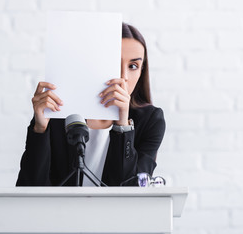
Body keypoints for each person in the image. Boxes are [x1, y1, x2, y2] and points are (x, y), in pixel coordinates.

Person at [16, 23, 165, 186]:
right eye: (114, 63)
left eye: (133, 66)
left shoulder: (151, 120)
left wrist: (123, 125)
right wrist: (40, 129)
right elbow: (29, 187)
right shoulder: (58, 111)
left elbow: (132, 189)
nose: (124, 76)